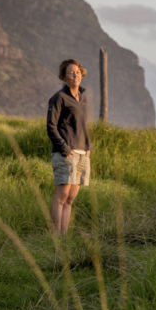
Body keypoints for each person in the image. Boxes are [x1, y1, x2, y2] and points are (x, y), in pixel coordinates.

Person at [47, 59, 91, 236]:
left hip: (82, 154)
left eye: (78, 72)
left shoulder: (83, 98)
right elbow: (51, 126)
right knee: (61, 197)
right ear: (64, 77)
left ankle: (63, 237)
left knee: (70, 199)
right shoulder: (59, 98)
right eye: (71, 72)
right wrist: (65, 149)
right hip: (66, 154)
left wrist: (88, 146)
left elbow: (83, 125)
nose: (75, 75)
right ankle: (56, 237)